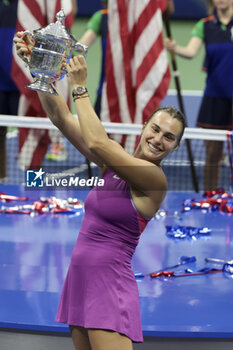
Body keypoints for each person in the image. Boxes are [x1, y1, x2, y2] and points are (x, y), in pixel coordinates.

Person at [14, 33, 185, 350]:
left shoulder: (153, 179)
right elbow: (61, 118)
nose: (159, 139)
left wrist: (79, 87)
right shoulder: (114, 162)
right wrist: (42, 72)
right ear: (144, 125)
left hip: (110, 286)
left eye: (169, 138)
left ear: (175, 147)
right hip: (80, 279)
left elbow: (96, 141)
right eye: (156, 129)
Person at [164, 0, 233, 191]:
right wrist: (174, 47)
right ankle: (210, 195)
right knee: (213, 154)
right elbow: (190, 51)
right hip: (214, 97)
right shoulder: (205, 24)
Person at [79, 0, 175, 118]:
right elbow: (80, 47)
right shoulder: (102, 18)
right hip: (112, 89)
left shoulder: (146, 18)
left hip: (143, 87)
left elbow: (168, 9)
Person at [0, 0, 20, 183]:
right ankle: (2, 181)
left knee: (32, 140)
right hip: (0, 87)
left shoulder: (25, 9)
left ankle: (34, 184)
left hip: (21, 87)